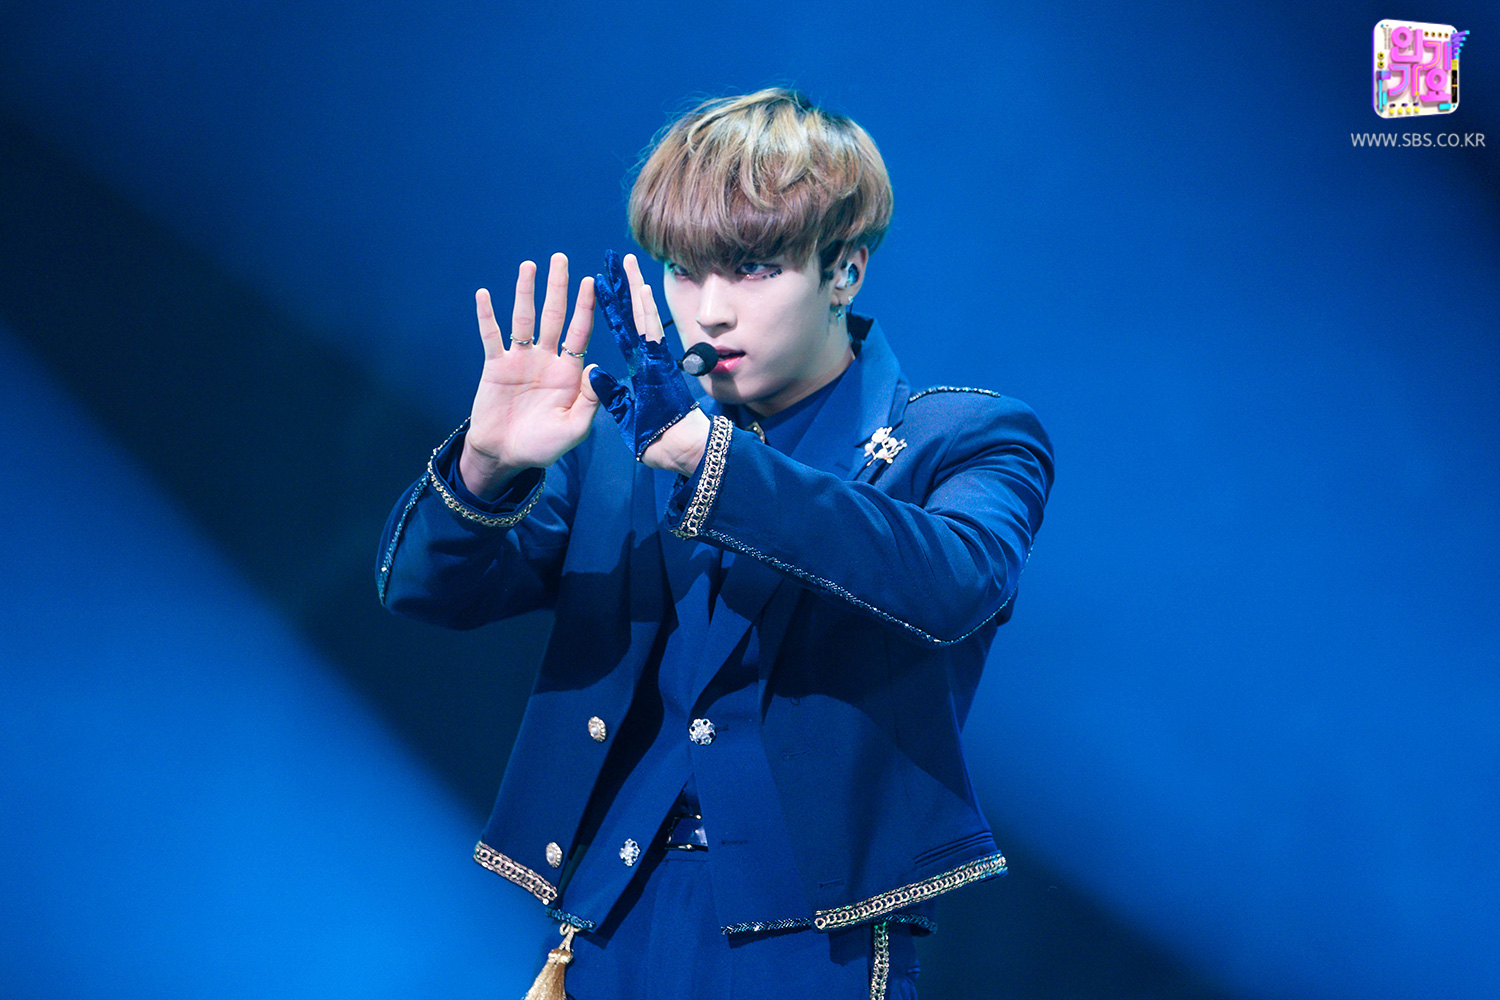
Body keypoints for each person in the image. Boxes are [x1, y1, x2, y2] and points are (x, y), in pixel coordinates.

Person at [377, 87, 1054, 999]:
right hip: (612, 920)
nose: (709, 312)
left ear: (846, 270)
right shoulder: (615, 444)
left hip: (812, 944)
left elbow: (955, 582)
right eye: (685, 272)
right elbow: (429, 591)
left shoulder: (963, 436)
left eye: (753, 269)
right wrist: (484, 469)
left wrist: (711, 460)